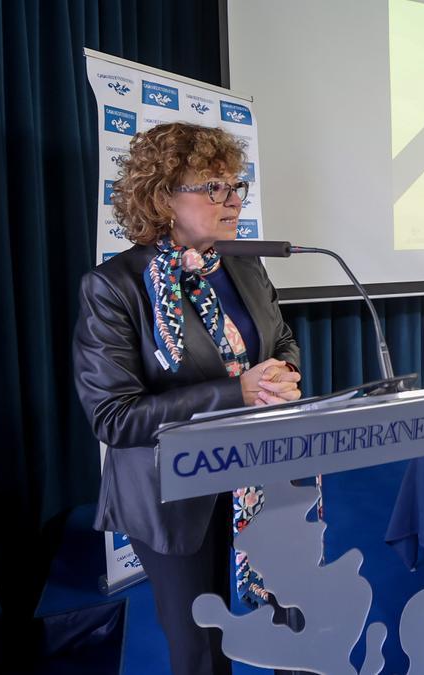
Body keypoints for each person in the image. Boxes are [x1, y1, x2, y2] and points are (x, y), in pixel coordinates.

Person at [73, 122, 302, 675]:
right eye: (213, 187)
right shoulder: (115, 287)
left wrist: (286, 371)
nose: (232, 200)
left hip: (261, 472)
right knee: (201, 649)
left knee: (292, 619)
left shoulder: (244, 263)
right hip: (173, 493)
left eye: (235, 185)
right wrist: (236, 392)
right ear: (162, 198)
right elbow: (115, 416)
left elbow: (281, 338)